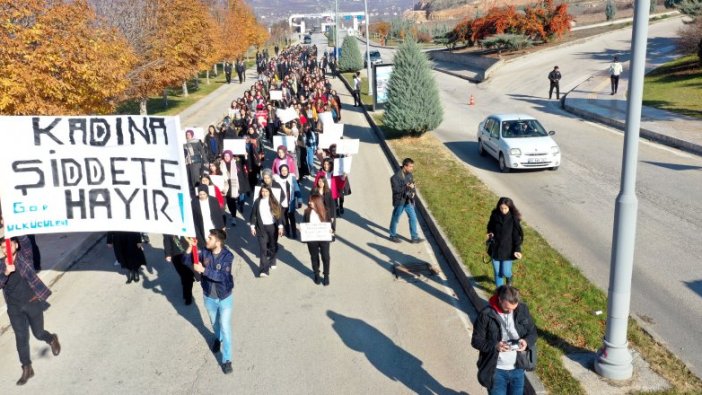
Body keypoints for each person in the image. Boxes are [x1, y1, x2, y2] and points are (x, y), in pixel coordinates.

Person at [1, 235, 61, 386]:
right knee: (21, 338)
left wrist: (11, 223)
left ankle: (52, 338)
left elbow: (26, 241)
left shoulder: (24, 258)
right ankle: (27, 368)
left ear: (16, 245)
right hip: (14, 308)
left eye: (8, 245)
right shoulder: (2, 265)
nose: (5, 249)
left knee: (38, 333)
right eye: (2, 247)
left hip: (31, 302)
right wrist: (6, 273)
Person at [184, 229, 235, 374]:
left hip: (224, 297)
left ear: (218, 242)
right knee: (214, 323)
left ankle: (227, 360)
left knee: (225, 326)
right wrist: (191, 246)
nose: (207, 240)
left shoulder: (228, 256)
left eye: (210, 238)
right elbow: (186, 260)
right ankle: (217, 339)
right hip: (209, 297)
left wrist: (204, 270)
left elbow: (222, 276)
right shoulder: (204, 252)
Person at [471, 285, 537, 394]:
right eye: (507, 308)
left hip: (518, 369)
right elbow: (476, 341)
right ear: (500, 300)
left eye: (513, 308)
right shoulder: (486, 315)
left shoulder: (522, 310)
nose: (510, 311)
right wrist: (495, 345)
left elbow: (533, 333)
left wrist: (526, 342)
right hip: (496, 371)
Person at [486, 197, 524, 287]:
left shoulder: (514, 219)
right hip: (495, 248)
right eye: (501, 208)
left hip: (508, 250)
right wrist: (490, 233)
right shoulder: (494, 215)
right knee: (498, 272)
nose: (503, 210)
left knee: (505, 272)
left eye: (505, 208)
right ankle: (500, 292)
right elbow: (490, 226)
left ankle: (509, 277)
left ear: (510, 208)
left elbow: (516, 236)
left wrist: (517, 249)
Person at [249, 185, 284, 278]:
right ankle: (264, 270)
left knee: (272, 246)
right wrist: (252, 226)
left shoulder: (274, 202)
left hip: (272, 227)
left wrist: (280, 227)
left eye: (266, 191)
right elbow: (253, 215)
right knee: (263, 249)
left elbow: (279, 215)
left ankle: (273, 260)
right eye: (262, 191)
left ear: (269, 192)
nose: (264, 193)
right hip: (261, 228)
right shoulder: (257, 202)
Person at [389, 158, 423, 244]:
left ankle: (414, 237)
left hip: (408, 200)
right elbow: (396, 190)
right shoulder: (395, 177)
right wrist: (407, 186)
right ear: (405, 166)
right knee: (396, 218)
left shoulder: (409, 175)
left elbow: (412, 185)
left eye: (412, 166)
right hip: (400, 201)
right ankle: (392, 235)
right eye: (410, 166)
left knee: (413, 218)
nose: (412, 168)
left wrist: (413, 192)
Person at [303, 194, 334, 286]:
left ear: (317, 202)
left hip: (323, 238)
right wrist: (303, 230)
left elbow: (330, 224)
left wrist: (331, 230)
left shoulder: (325, 212)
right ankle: (316, 273)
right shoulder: (307, 212)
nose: (309, 203)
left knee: (325, 256)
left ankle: (326, 275)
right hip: (312, 239)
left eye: (311, 201)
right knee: (314, 256)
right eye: (309, 201)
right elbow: (304, 223)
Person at [191, 184, 226, 249]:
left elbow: (218, 214)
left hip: (212, 224)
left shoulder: (213, 200)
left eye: (204, 194)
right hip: (202, 224)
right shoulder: (194, 201)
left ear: (207, 193)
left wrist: (222, 226)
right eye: (200, 194)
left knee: (214, 239)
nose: (202, 196)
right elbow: (193, 216)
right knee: (205, 241)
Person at [163, 234, 194, 305]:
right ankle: (187, 293)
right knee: (184, 275)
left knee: (189, 275)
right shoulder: (169, 228)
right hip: (176, 255)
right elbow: (167, 240)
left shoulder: (186, 225)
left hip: (189, 251)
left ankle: (187, 294)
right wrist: (168, 254)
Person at [274, 164, 302, 239]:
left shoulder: (292, 177)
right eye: (282, 170)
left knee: (292, 218)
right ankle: (287, 231)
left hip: (291, 201)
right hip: (281, 203)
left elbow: (296, 188)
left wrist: (299, 199)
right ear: (280, 171)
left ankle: (294, 232)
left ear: (288, 170)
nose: (284, 172)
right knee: (284, 218)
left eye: (285, 170)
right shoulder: (276, 179)